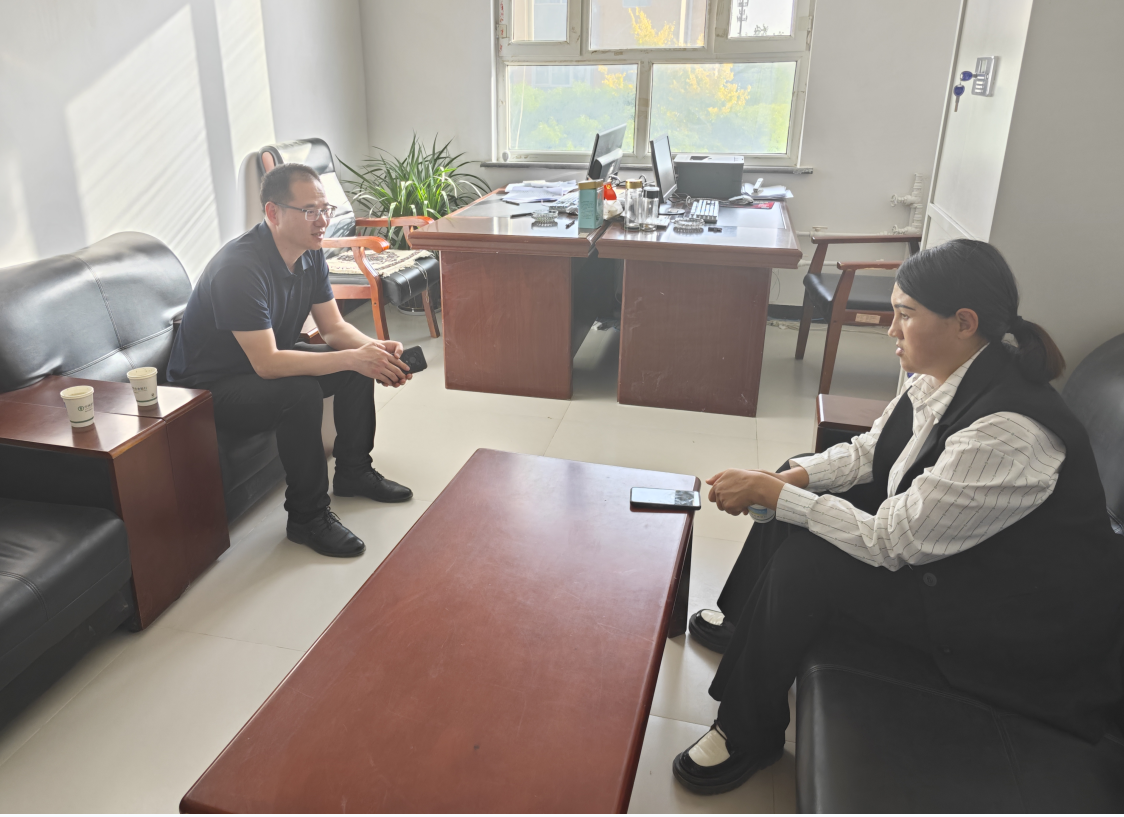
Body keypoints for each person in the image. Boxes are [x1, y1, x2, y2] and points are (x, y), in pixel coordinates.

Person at [673, 239, 1124, 795]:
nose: (891, 330)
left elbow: (889, 542)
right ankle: (747, 623)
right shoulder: (945, 370)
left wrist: (778, 494)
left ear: (964, 322)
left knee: (810, 562)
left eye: (905, 315)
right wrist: (791, 480)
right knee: (798, 477)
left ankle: (747, 732)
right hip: (959, 558)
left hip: (1009, 617)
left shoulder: (1008, 434)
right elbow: (872, 450)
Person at [167, 163, 413, 558]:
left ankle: (354, 471)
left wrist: (374, 350)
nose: (323, 220)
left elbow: (333, 328)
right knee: (301, 392)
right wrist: (355, 357)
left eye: (325, 209)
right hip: (209, 388)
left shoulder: (310, 253)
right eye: (310, 210)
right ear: (273, 212)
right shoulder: (239, 268)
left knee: (354, 365)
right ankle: (307, 517)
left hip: (264, 362)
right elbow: (267, 364)